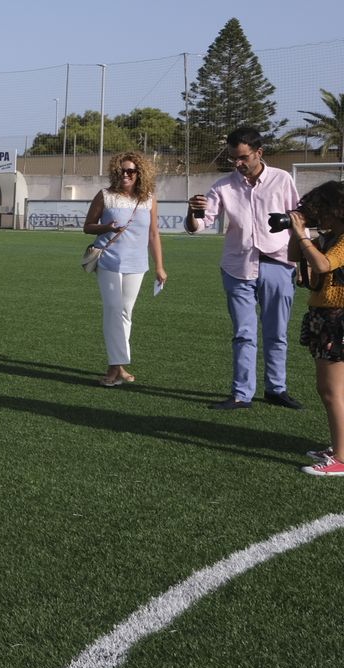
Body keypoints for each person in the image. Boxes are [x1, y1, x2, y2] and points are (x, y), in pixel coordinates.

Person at [187, 127, 303, 410]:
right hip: (237, 267)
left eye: (242, 157)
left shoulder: (282, 179)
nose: (237, 163)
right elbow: (198, 227)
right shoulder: (223, 186)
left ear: (258, 153)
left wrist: (302, 261)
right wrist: (193, 212)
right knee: (243, 332)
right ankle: (241, 394)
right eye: (233, 158)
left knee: (277, 332)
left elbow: (299, 217)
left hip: (278, 263)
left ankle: (276, 389)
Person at [83, 152, 167, 386]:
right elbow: (87, 227)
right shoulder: (105, 196)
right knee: (113, 309)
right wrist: (106, 228)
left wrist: (160, 266)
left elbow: (153, 234)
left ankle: (117, 366)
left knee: (126, 313)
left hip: (137, 264)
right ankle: (115, 367)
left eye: (131, 171)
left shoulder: (148, 198)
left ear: (140, 173)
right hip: (108, 260)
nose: (126, 174)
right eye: (122, 171)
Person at [287, 183, 344, 475]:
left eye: (319, 210)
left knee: (332, 390)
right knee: (329, 389)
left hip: (338, 318)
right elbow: (294, 256)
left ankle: (341, 459)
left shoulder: (343, 239)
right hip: (325, 314)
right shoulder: (329, 236)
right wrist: (297, 232)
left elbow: (322, 266)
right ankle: (338, 448)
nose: (316, 215)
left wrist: (303, 234)